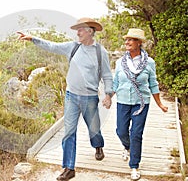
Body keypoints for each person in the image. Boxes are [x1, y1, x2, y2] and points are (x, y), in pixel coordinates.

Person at [18, 17, 113, 181]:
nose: (78, 32)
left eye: (81, 29)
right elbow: (52, 46)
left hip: (90, 98)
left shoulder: (100, 52)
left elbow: (106, 75)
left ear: (90, 31)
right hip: (71, 96)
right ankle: (69, 168)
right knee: (69, 132)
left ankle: (98, 146)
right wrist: (33, 38)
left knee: (94, 128)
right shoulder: (73, 47)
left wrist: (109, 94)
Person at [112, 28, 168, 180]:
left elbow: (153, 84)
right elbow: (115, 82)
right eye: (126, 39)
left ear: (139, 43)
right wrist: (108, 97)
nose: (127, 42)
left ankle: (134, 165)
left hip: (141, 103)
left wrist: (160, 104)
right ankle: (127, 147)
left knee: (136, 133)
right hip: (123, 101)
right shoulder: (119, 62)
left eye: (131, 40)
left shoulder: (149, 62)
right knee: (121, 131)